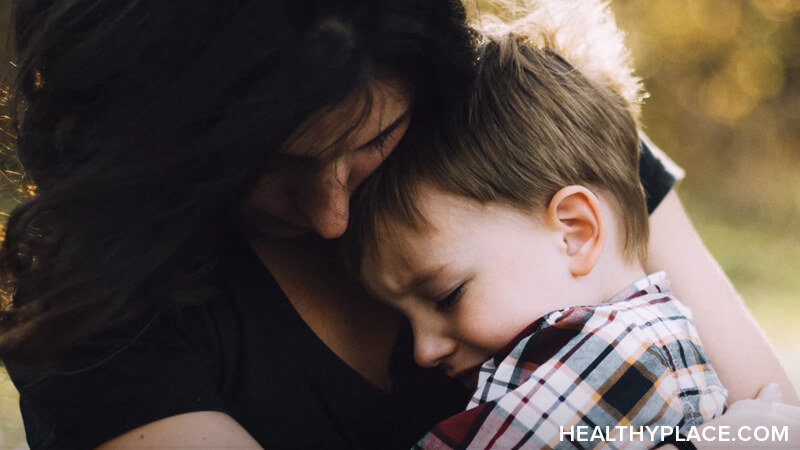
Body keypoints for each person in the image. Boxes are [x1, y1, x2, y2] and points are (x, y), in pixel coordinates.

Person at [0, 0, 795, 449]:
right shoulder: (102, 307)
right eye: (261, 168)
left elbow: (770, 415)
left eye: (370, 143)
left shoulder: (531, 144)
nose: (331, 216)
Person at [344, 12, 727, 447]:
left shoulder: (600, 360)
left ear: (575, 233)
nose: (423, 350)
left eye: (447, 295)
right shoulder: (660, 337)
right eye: (403, 316)